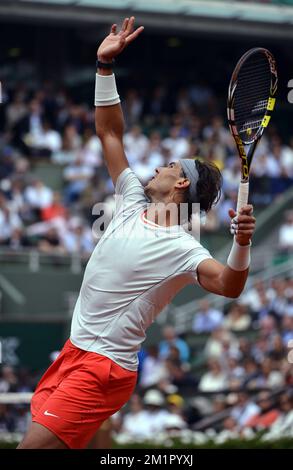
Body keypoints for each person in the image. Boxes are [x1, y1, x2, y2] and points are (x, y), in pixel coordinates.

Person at [18, 17, 256, 449]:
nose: (157, 167)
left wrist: (241, 244)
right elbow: (109, 131)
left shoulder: (184, 248)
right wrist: (104, 68)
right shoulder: (132, 198)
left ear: (181, 183)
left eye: (168, 166)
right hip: (76, 353)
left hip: (103, 367)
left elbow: (229, 285)